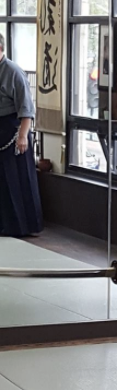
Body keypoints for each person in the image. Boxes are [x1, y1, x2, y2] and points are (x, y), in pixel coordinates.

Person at [0, 33, 43, 237]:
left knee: (16, 179)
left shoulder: (13, 72)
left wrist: (23, 136)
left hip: (13, 128)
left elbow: (26, 109)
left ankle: (22, 225)